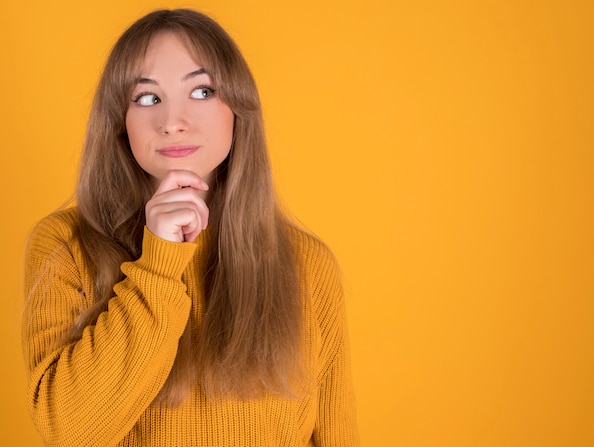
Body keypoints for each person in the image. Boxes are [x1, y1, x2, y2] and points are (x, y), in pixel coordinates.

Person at [22, 9, 358, 446]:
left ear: (238, 109)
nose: (173, 120)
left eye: (202, 90)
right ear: (120, 122)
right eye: (146, 98)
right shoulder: (65, 247)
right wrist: (159, 262)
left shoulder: (309, 265)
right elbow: (69, 432)